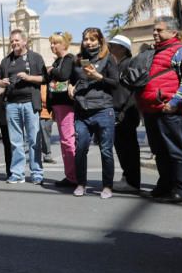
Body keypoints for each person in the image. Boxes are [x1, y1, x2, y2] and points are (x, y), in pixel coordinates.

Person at [138, 17, 182, 203]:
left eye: (159, 30)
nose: (155, 33)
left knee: (177, 151)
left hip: (170, 110)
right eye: (154, 30)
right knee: (160, 151)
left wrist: (175, 103)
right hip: (152, 110)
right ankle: (165, 185)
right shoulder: (154, 52)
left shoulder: (181, 51)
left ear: (173, 33)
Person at [70, 27, 118, 198]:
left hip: (103, 109)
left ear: (99, 41)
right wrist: (70, 87)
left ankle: (107, 186)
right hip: (82, 110)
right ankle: (81, 184)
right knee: (81, 148)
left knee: (106, 150)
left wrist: (98, 76)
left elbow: (115, 83)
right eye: (86, 39)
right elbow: (72, 80)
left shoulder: (108, 58)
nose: (88, 43)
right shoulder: (77, 60)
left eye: (92, 39)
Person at [0, 29, 46, 184]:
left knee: (33, 140)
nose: (14, 43)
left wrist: (28, 77)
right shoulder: (6, 61)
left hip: (30, 103)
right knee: (15, 141)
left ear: (25, 41)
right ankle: (17, 173)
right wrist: (2, 82)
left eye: (17, 40)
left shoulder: (35, 58)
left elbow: (44, 78)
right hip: (12, 104)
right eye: (12, 41)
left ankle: (37, 172)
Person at [108, 34, 141, 193]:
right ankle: (127, 178)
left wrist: (124, 110)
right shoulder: (116, 65)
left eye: (113, 45)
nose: (110, 48)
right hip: (116, 110)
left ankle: (132, 181)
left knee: (129, 148)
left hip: (126, 111)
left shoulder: (130, 64)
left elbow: (132, 90)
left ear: (122, 48)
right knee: (121, 147)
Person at [46, 31, 77, 188]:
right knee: (65, 141)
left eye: (55, 43)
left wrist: (51, 70)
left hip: (66, 104)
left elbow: (64, 75)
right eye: (51, 43)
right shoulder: (59, 60)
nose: (52, 45)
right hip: (58, 105)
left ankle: (73, 176)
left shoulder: (69, 59)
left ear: (64, 44)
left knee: (67, 140)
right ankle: (70, 174)